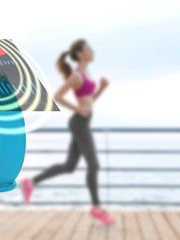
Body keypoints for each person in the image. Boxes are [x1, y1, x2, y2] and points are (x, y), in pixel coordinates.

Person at [21, 38, 115, 225]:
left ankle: (30, 183)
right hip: (79, 123)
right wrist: (78, 109)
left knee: (69, 166)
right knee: (94, 165)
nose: (92, 51)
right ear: (80, 54)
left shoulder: (86, 73)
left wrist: (102, 89)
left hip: (83, 122)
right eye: (89, 49)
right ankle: (96, 209)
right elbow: (57, 96)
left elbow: (89, 101)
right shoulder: (77, 75)